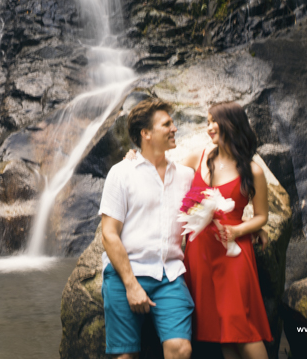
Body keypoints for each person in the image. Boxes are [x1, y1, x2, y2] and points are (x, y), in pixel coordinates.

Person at [99, 98, 195, 359]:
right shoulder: (121, 173)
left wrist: (254, 225)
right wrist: (131, 285)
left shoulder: (186, 176)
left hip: (169, 276)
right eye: (167, 124)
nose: (174, 128)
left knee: (181, 349)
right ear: (146, 134)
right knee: (125, 355)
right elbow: (109, 233)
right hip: (125, 274)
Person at [180, 101, 272, 359]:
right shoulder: (198, 157)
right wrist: (133, 159)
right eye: (207, 122)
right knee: (223, 330)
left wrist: (241, 229)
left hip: (233, 253)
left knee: (241, 325)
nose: (209, 127)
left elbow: (262, 216)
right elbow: (164, 174)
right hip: (201, 252)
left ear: (231, 124)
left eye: (214, 121)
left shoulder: (253, 170)